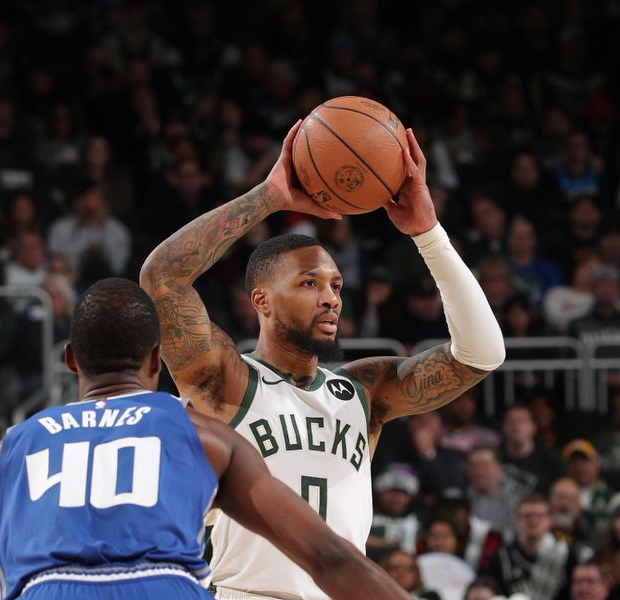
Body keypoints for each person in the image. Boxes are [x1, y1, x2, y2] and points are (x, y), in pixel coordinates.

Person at [0, 278, 409, 600]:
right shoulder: (206, 439)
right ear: (155, 362)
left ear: (72, 360)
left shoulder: (10, 451)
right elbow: (330, 558)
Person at [140, 121, 505, 599]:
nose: (331, 297)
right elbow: (162, 276)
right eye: (309, 283)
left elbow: (482, 354)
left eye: (335, 284)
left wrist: (428, 234)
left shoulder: (364, 390)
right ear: (262, 301)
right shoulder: (226, 380)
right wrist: (269, 196)